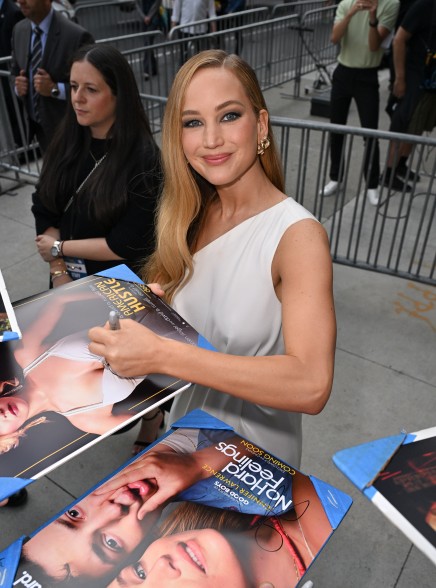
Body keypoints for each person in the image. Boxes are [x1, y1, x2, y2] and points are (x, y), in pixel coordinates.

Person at [89, 49, 336, 469]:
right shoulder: (188, 218)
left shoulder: (297, 237)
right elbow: (196, 345)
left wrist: (163, 355)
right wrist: (152, 321)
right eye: (192, 122)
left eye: (228, 116)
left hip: (251, 467)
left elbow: (311, 384)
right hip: (184, 444)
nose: (210, 140)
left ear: (260, 125)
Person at [31, 43, 161, 287]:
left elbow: (126, 243)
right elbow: (44, 204)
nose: (77, 98)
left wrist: (59, 248)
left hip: (118, 289)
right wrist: (58, 271)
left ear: (118, 94)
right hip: (66, 280)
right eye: (73, 86)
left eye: (90, 89)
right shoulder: (66, 141)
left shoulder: (145, 160)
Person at [320, 0, 400, 206]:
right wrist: (350, 14)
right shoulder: (347, 3)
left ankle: (372, 184)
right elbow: (334, 38)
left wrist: (372, 18)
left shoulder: (391, 4)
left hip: (367, 76)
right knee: (336, 129)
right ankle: (335, 177)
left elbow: (374, 46)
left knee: (371, 133)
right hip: (343, 72)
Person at [10, 0, 94, 152]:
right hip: (40, 130)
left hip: (70, 133)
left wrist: (54, 89)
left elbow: (92, 88)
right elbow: (15, 72)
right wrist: (18, 87)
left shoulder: (76, 36)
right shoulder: (19, 30)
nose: (20, 1)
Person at [383, 0, 436, 189]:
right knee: (402, 125)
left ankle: (400, 165)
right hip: (414, 77)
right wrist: (400, 78)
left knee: (418, 125)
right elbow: (398, 39)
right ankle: (388, 173)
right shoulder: (424, 6)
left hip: (431, 82)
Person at [0, 0, 25, 150]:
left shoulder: (13, 11)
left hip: (12, 70)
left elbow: (16, 44)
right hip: (5, 70)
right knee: (9, 109)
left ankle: (24, 147)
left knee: (16, 107)